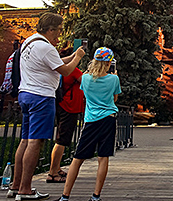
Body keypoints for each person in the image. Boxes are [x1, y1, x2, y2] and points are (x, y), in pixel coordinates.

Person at [8, 13, 85, 201]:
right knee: (36, 142)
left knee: (25, 141)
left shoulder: (30, 42)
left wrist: (71, 56)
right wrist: (79, 57)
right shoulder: (46, 47)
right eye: (58, 31)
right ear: (50, 29)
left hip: (25, 94)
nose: (59, 36)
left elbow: (56, 63)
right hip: (41, 97)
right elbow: (66, 70)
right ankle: (25, 189)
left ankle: (15, 185)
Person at [55, 47, 121, 201]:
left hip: (91, 120)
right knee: (103, 157)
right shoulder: (114, 79)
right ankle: (96, 196)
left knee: (78, 158)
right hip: (108, 119)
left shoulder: (85, 78)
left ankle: (65, 196)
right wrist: (114, 76)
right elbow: (115, 99)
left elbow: (86, 94)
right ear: (109, 63)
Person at [46, 47, 85, 183]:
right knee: (62, 140)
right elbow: (86, 82)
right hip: (69, 107)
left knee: (62, 138)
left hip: (63, 105)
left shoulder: (61, 71)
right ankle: (52, 172)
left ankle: (56, 168)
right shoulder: (72, 70)